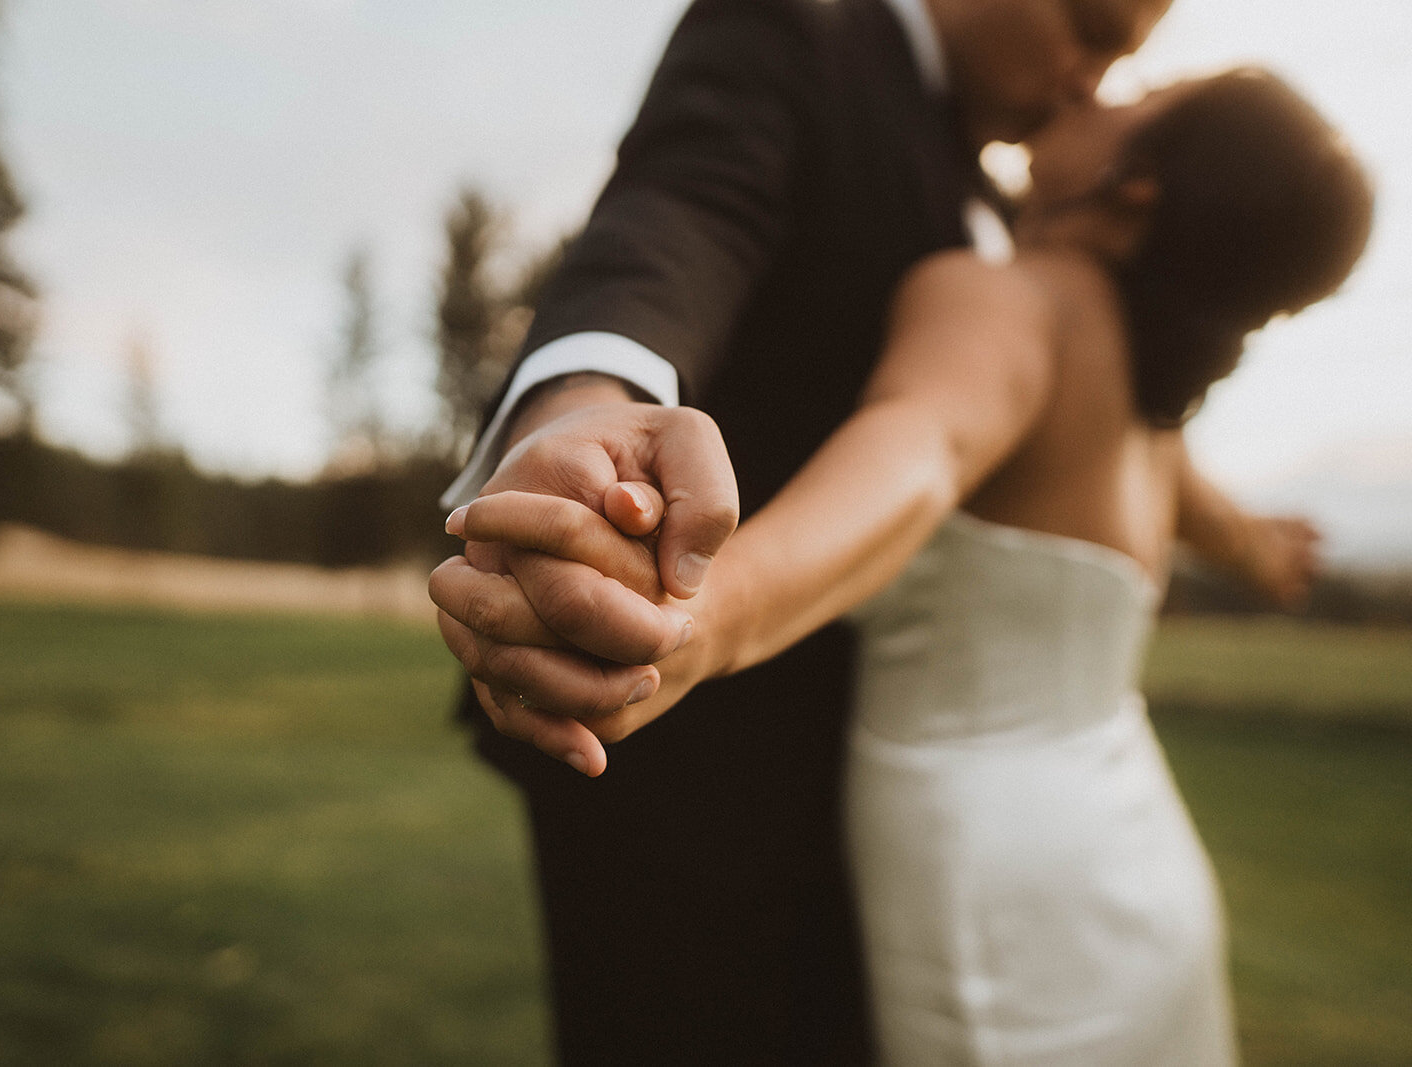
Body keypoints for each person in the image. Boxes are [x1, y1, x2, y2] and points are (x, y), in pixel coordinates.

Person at [449, 68, 1375, 1062]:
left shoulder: (1003, 302)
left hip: (987, 870)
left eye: (1133, 100)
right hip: (1134, 849)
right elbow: (1219, 525)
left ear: (1133, 181)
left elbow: (922, 451)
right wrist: (1259, 550)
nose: (1084, 94)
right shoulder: (1150, 415)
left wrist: (708, 617)